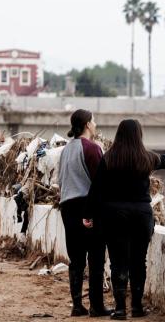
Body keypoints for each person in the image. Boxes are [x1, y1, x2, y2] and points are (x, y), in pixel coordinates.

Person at [86, 119, 165, 320]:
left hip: (114, 215)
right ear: (139, 135)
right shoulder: (147, 158)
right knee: (138, 262)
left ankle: (120, 309)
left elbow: (96, 189)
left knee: (118, 262)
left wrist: (88, 214)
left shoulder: (109, 158)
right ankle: (137, 308)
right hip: (141, 215)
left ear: (119, 134)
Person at [57, 109, 110, 317]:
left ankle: (77, 305)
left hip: (67, 207)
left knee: (76, 259)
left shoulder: (65, 151)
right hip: (87, 206)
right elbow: (100, 183)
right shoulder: (92, 148)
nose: (95, 124)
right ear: (88, 124)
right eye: (94, 121)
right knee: (96, 257)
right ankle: (97, 306)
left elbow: (60, 183)